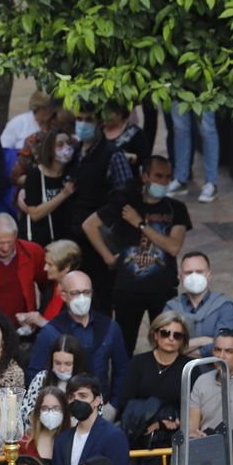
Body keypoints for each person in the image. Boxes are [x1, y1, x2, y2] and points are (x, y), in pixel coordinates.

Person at [83, 154, 190, 351]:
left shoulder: (177, 209)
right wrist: (108, 258)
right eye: (158, 176)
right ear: (145, 176)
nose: (164, 182)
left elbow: (173, 246)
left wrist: (140, 224)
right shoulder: (127, 204)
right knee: (123, 347)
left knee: (167, 346)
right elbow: (89, 225)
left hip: (163, 289)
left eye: (168, 177)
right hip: (128, 290)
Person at [118, 308, 190, 465]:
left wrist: (169, 421)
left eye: (177, 335)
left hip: (176, 447)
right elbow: (126, 403)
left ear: (183, 340)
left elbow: (194, 405)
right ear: (155, 335)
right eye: (165, 332)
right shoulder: (139, 363)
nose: (171, 338)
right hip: (143, 447)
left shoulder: (190, 367)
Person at [60, 108, 136, 315]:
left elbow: (124, 193)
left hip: (98, 243)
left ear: (99, 123)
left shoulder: (112, 154)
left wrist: (99, 219)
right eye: (79, 119)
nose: (83, 124)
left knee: (100, 301)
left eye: (88, 120)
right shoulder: (76, 152)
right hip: (74, 241)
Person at [27, 271, 130, 410]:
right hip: (63, 408)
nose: (82, 298)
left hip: (101, 405)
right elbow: (35, 374)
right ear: (63, 295)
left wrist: (113, 405)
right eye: (75, 293)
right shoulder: (50, 332)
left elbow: (122, 368)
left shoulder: (110, 327)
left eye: (86, 292)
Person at [52, 375, 130, 465]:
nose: (76, 400)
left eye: (83, 395)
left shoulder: (114, 436)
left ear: (98, 400)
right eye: (71, 396)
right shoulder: (62, 439)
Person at [168, 251, 233, 358]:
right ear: (180, 277)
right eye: (188, 272)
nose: (194, 276)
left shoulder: (224, 306)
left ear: (209, 275)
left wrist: (182, 350)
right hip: (178, 372)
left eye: (199, 272)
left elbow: (224, 346)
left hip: (214, 371)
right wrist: (203, 341)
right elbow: (165, 344)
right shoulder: (171, 307)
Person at [16, 125, 73, 246]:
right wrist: (64, 194)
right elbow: (35, 214)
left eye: (68, 143)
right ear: (50, 149)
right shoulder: (35, 174)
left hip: (63, 242)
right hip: (36, 241)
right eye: (60, 144)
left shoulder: (71, 174)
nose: (66, 148)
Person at [168, 101, 220, 202]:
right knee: (180, 129)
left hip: (203, 87)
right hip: (178, 87)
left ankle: (211, 182)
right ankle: (180, 179)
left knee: (207, 129)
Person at [38, 239, 83, 320]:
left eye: (50, 264)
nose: (45, 268)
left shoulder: (80, 295)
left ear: (66, 267)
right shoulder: (51, 286)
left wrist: (41, 322)